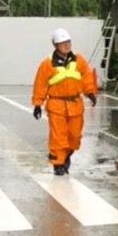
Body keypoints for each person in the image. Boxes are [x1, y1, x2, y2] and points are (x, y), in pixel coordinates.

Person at [32, 28, 97, 175]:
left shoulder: (79, 60)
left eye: (68, 42)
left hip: (75, 104)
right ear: (56, 45)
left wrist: (90, 92)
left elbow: (86, 76)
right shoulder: (47, 64)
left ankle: (66, 155)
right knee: (58, 137)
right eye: (63, 43)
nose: (67, 45)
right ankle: (58, 164)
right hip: (56, 105)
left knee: (74, 137)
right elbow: (40, 84)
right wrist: (37, 104)